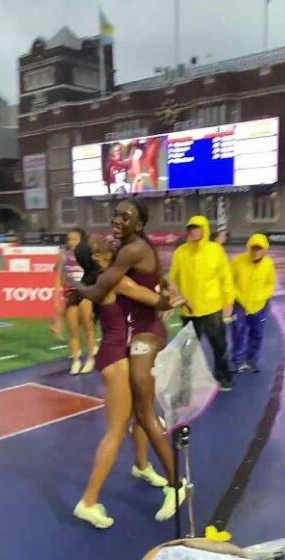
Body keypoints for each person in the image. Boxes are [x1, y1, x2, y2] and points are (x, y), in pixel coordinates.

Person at [69, 199, 188, 521]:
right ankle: (92, 499)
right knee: (126, 422)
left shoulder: (125, 256)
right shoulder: (114, 272)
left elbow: (150, 284)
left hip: (135, 342)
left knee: (142, 412)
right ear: (97, 257)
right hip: (119, 351)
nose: (110, 231)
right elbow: (142, 293)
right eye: (100, 242)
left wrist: (169, 291)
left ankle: (147, 468)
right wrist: (169, 298)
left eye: (125, 216)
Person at [168, 215, 237, 391]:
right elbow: (172, 279)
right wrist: (170, 299)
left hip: (212, 307)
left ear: (204, 229)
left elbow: (225, 278)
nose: (193, 232)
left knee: (219, 345)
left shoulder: (216, 250)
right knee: (187, 348)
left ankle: (223, 376)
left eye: (197, 228)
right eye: (190, 229)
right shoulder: (180, 253)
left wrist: (228, 302)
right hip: (189, 309)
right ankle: (186, 380)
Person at [230, 233, 277, 373]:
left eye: (259, 249)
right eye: (253, 248)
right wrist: (237, 296)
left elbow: (271, 283)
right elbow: (228, 282)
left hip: (260, 305)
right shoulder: (237, 261)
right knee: (238, 332)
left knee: (257, 333)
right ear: (249, 248)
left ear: (264, 250)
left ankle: (252, 360)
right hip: (239, 304)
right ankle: (237, 360)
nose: (256, 252)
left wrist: (261, 296)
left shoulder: (268, 264)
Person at [53, 228, 96, 374]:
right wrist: (58, 298)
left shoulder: (87, 255)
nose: (71, 242)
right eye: (69, 239)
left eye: (75, 239)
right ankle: (76, 361)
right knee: (73, 330)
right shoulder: (63, 255)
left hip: (85, 293)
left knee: (88, 327)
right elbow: (58, 277)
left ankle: (90, 359)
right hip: (71, 294)